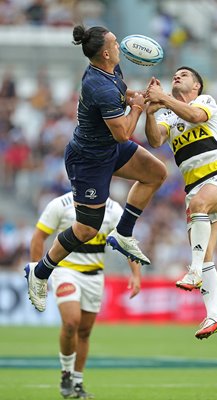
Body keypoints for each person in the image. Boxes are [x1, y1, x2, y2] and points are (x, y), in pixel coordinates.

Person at [24, 25, 167, 313]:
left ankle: (123, 234)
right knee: (86, 230)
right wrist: (138, 108)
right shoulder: (98, 85)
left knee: (156, 173)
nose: (120, 45)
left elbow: (123, 96)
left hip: (107, 149)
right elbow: (123, 134)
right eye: (115, 43)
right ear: (105, 52)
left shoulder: (109, 71)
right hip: (89, 160)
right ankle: (39, 273)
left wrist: (140, 96)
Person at [144, 66, 217, 339]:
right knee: (206, 253)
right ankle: (214, 315)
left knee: (198, 207)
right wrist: (150, 114)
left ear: (197, 85)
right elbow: (154, 140)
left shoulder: (204, 102)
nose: (177, 76)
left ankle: (194, 271)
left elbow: (195, 116)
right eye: (175, 74)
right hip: (194, 189)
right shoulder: (167, 115)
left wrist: (163, 97)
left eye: (184, 74)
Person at [30, 191, 142, 399]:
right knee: (71, 322)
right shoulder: (60, 204)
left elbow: (126, 240)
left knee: (84, 332)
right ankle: (66, 373)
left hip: (94, 276)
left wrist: (136, 274)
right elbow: (38, 236)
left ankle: (78, 382)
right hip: (65, 271)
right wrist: (39, 274)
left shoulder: (113, 209)